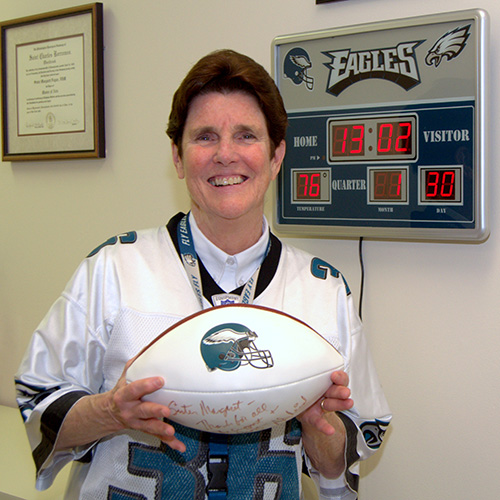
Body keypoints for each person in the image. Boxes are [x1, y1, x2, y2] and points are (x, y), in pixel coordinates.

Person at [15, 49, 391, 500]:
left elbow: (342, 466)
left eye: (246, 135)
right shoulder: (113, 269)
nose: (225, 155)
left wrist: (319, 428)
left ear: (276, 156)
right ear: (177, 156)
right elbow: (37, 402)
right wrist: (111, 412)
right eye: (205, 137)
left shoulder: (323, 289)